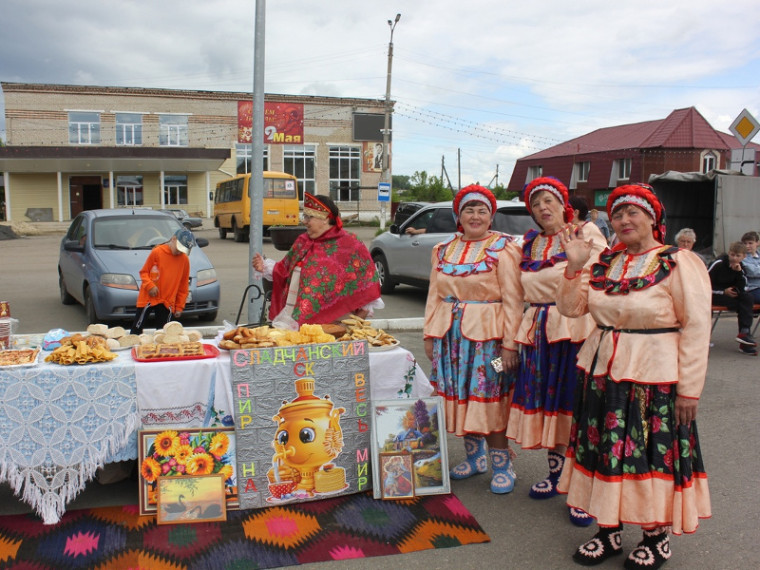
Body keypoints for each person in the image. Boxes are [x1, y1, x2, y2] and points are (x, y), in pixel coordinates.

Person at [557, 183, 712, 569]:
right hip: (602, 374)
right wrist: (574, 266)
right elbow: (572, 309)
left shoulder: (678, 262)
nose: (624, 220)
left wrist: (689, 390)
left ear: (653, 219)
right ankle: (607, 530)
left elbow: (696, 327)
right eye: (617, 215)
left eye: (633, 213)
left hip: (654, 378)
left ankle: (655, 536)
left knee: (646, 454)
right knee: (603, 451)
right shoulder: (606, 263)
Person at [507, 178, 606, 526]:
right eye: (536, 204)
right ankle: (556, 474)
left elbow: (598, 285)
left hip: (574, 329)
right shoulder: (529, 244)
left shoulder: (585, 236)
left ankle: (583, 488)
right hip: (538, 330)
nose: (542, 208)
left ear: (564, 204)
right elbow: (518, 293)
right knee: (552, 407)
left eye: (549, 200)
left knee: (575, 406)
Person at [423, 185, 523, 494]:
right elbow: (434, 295)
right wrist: (429, 333)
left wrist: (510, 344)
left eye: (482, 210)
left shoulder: (504, 249)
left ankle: (502, 464)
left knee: (490, 396)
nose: (475, 216)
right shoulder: (442, 250)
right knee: (462, 395)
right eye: (469, 210)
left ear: (491, 216)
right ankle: (475, 457)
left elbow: (514, 300)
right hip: (450, 339)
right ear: (459, 216)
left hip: (491, 344)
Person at [252, 193, 383, 326]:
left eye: (309, 217)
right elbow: (284, 270)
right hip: (296, 321)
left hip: (335, 325)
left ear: (325, 218)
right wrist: (264, 267)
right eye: (305, 216)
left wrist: (350, 328)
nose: (304, 221)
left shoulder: (351, 244)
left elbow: (368, 286)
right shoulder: (302, 241)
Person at [130, 228, 194, 334]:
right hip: (148, 298)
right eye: (178, 248)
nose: (179, 252)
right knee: (136, 329)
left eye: (182, 250)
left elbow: (183, 286)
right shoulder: (157, 252)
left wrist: (179, 306)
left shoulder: (184, 260)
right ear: (173, 239)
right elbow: (144, 272)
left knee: (164, 333)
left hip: (167, 301)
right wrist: (149, 285)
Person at [708, 241, 757, 355]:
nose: (734, 258)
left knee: (747, 298)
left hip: (730, 295)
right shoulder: (719, 264)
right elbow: (704, 283)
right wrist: (723, 291)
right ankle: (745, 338)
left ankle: (744, 334)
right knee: (744, 306)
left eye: (738, 256)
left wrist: (739, 273)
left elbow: (744, 287)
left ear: (743, 257)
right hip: (714, 294)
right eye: (732, 255)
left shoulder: (741, 267)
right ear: (729, 253)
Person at [741, 230, 760, 303]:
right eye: (745, 243)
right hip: (752, 289)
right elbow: (753, 272)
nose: (747, 246)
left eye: (750, 243)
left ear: (757, 243)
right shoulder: (742, 258)